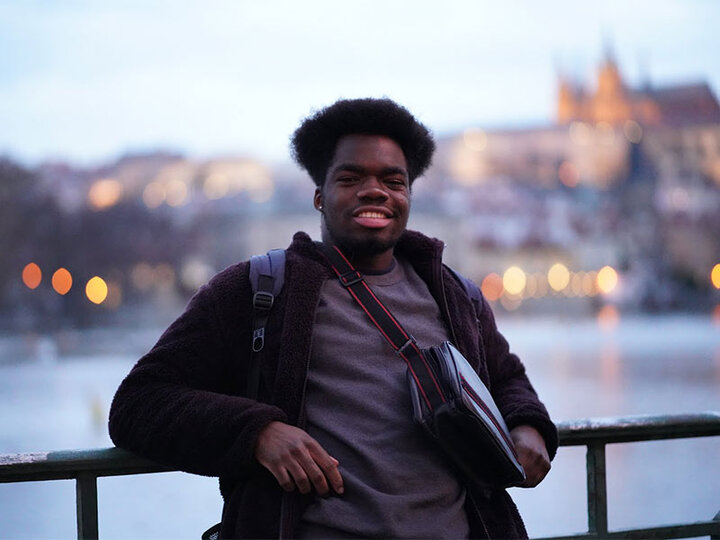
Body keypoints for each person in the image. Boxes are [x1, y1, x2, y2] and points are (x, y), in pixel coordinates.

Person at [109, 97, 558, 539]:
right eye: (351, 177)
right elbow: (138, 403)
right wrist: (258, 433)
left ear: (407, 196)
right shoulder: (260, 288)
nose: (374, 190)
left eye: (392, 180)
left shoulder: (455, 294)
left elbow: (507, 380)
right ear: (320, 196)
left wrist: (529, 425)